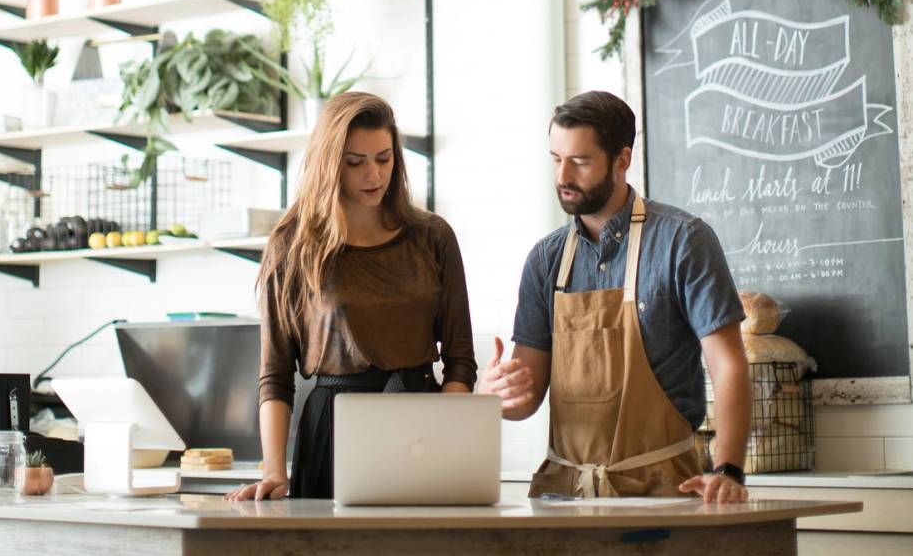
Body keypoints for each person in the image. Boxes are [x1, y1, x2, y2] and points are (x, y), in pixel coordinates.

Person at [478, 91, 751, 503]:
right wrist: (495, 393)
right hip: (563, 495)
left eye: (580, 161)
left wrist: (728, 469)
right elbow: (525, 400)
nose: (563, 176)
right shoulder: (545, 259)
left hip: (663, 492)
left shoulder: (683, 240)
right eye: (556, 159)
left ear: (622, 160)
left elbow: (728, 364)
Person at [225, 91, 477, 501]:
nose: (373, 176)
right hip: (334, 429)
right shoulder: (293, 245)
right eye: (355, 162)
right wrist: (275, 472)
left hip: (419, 426)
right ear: (328, 162)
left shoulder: (433, 237)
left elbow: (461, 361)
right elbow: (275, 374)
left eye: (384, 158)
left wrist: (440, 433)